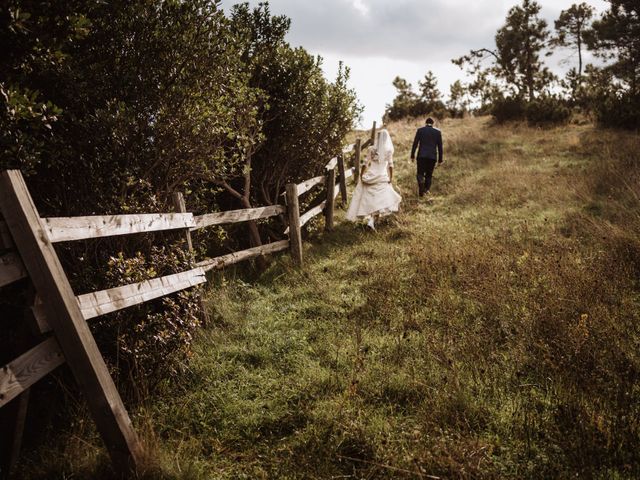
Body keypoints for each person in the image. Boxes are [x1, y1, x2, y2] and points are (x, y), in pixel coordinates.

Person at [346, 129, 402, 230]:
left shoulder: (371, 149)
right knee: (379, 199)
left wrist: (362, 175)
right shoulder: (388, 150)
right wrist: (390, 177)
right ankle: (371, 221)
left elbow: (365, 163)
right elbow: (390, 165)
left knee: (369, 198)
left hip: (371, 175)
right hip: (381, 175)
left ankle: (371, 220)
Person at [411, 117, 443, 197]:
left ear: (426, 123)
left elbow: (415, 144)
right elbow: (440, 147)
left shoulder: (420, 130)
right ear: (433, 123)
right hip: (432, 157)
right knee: (429, 175)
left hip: (421, 156)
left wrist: (412, 155)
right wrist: (440, 160)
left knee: (420, 173)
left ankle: (421, 183)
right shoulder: (438, 132)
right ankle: (424, 191)